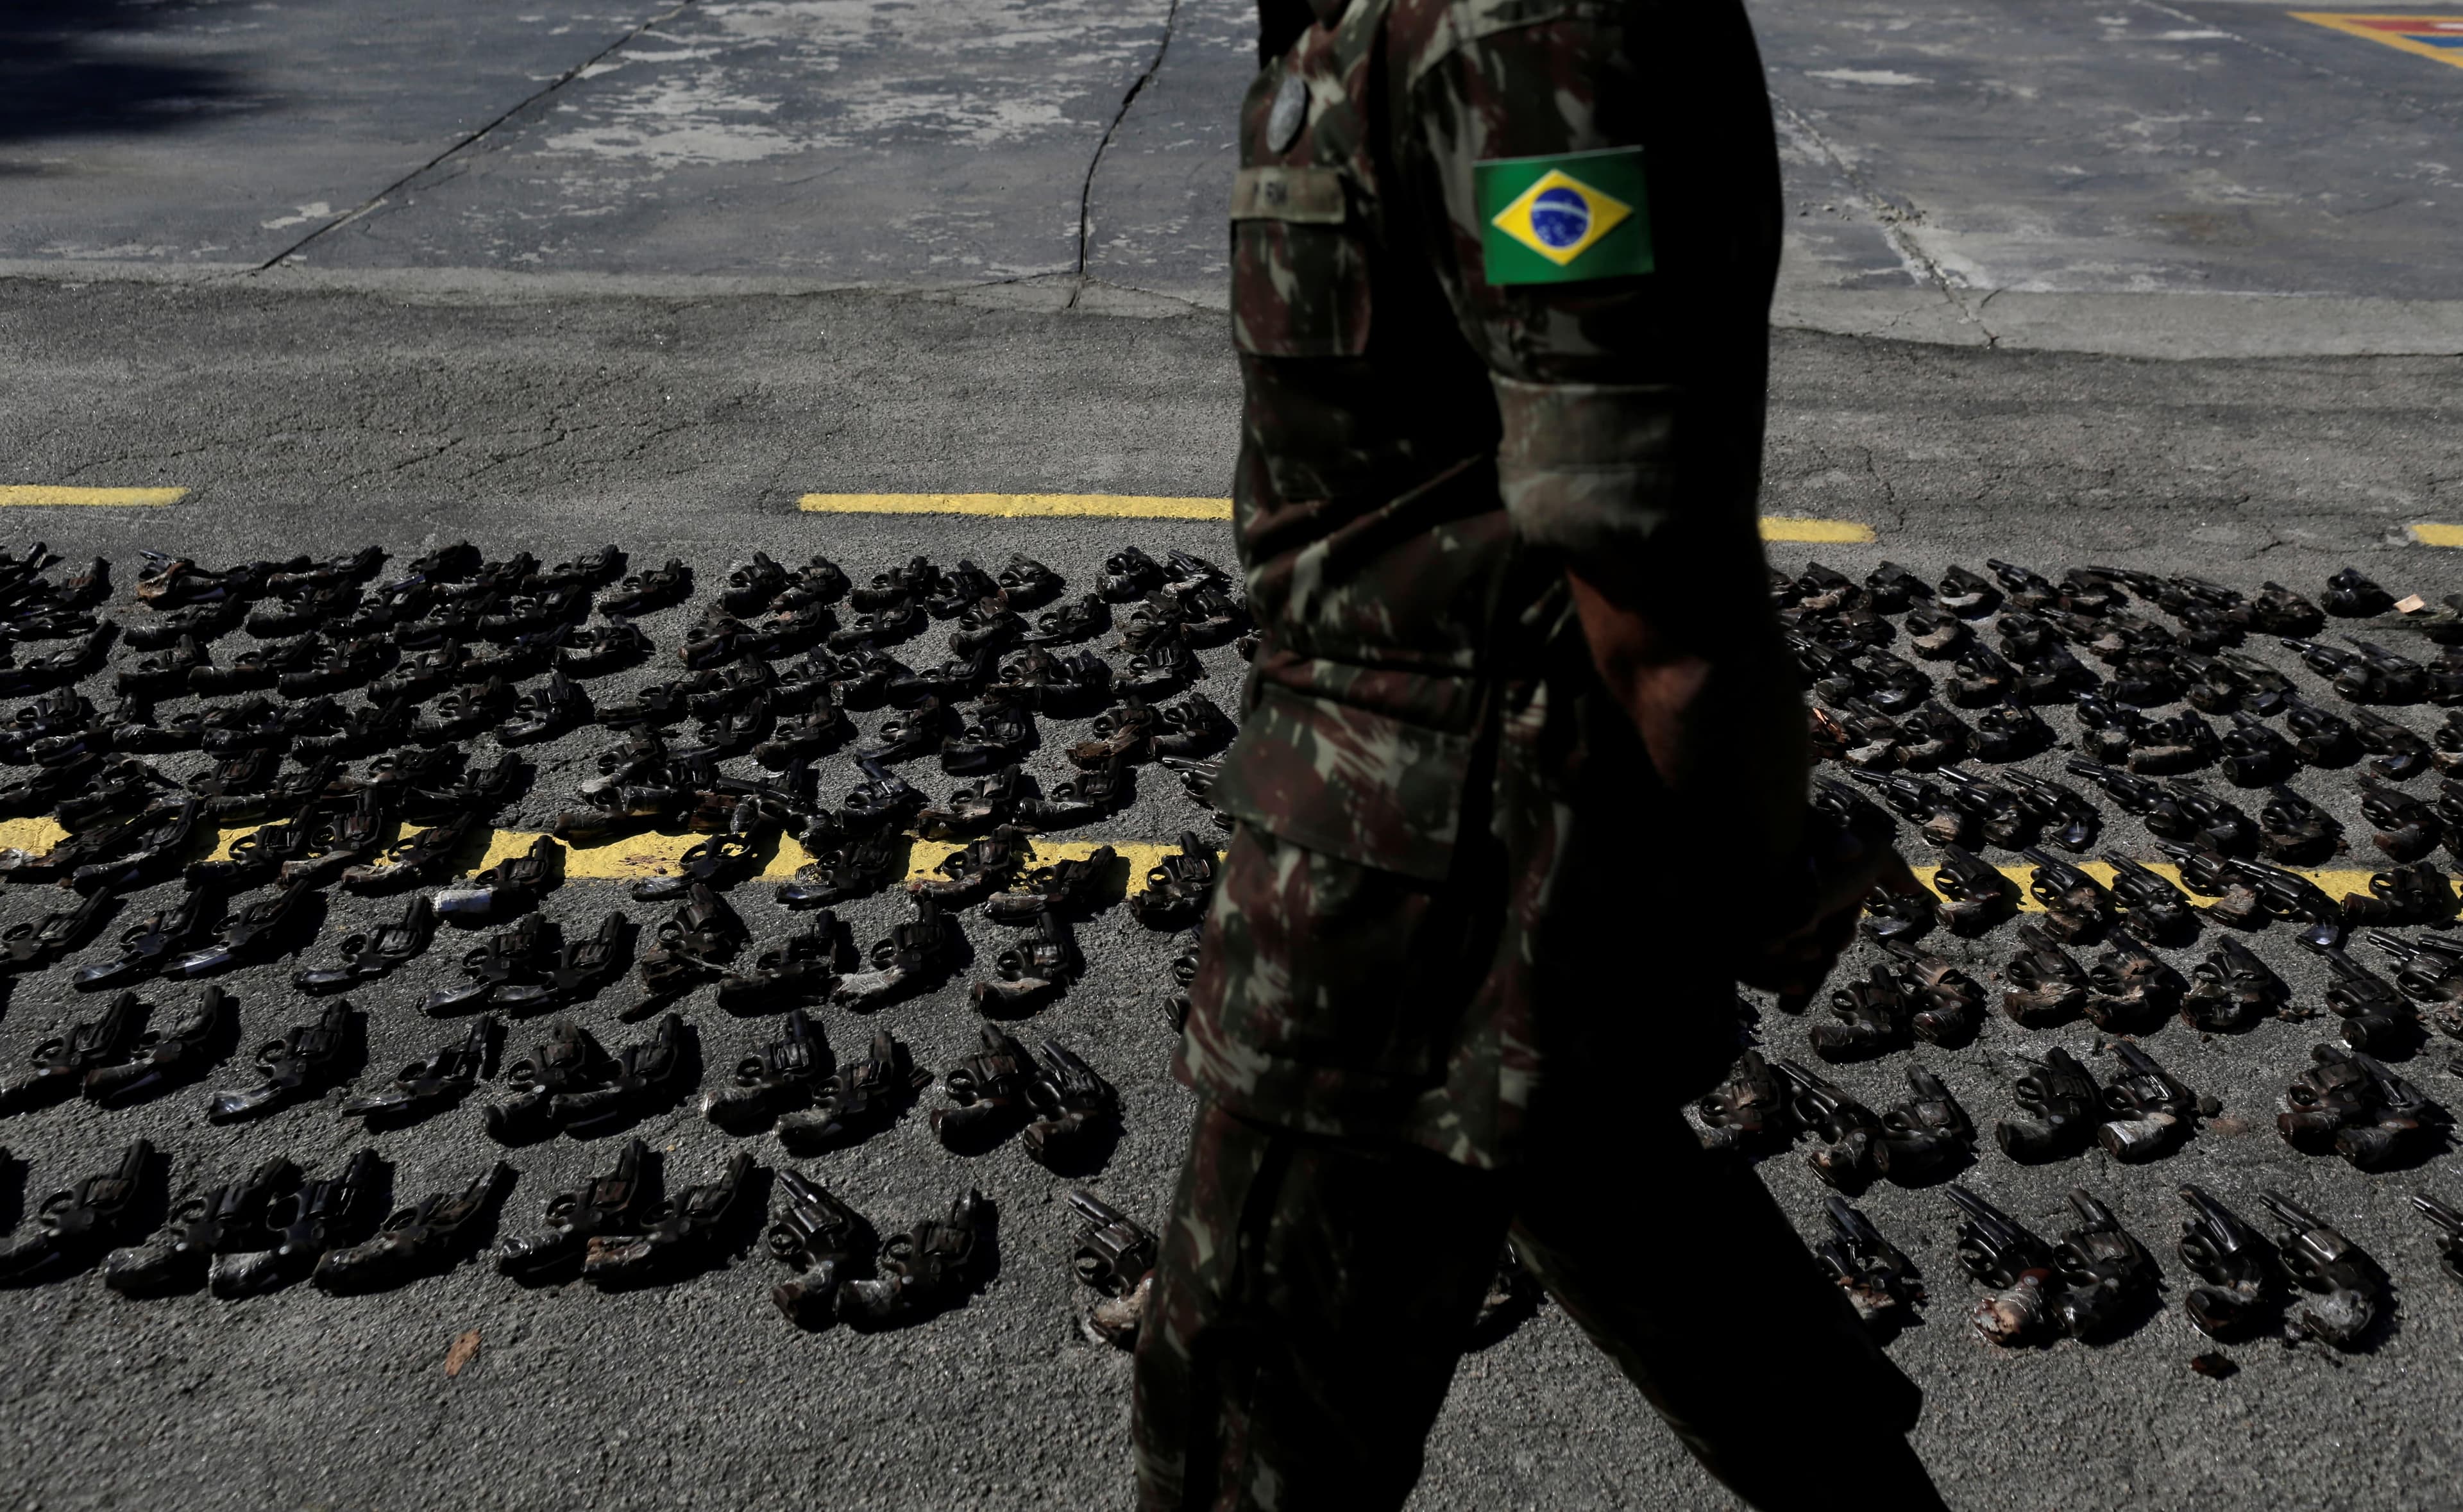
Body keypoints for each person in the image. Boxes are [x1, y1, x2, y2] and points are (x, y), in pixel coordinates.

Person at [1129, 0, 1951, 1506]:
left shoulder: (1532, 31)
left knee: (1242, 1432)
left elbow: (1657, 580)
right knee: (1709, 1321)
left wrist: (1761, 875)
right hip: (1500, 880)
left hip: (1407, 923)